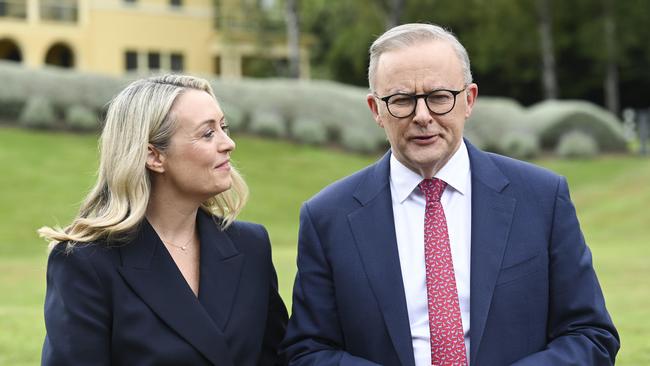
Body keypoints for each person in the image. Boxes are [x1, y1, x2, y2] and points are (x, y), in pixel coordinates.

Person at [282, 23, 619, 365]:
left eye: (439, 97)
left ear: (468, 99)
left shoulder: (543, 199)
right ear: (375, 109)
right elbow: (308, 351)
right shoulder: (327, 218)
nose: (423, 116)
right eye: (402, 100)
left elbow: (591, 335)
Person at [40, 74, 287, 365]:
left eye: (224, 127)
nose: (228, 143)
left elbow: (279, 358)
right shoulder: (85, 263)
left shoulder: (251, 246)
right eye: (208, 134)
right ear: (153, 156)